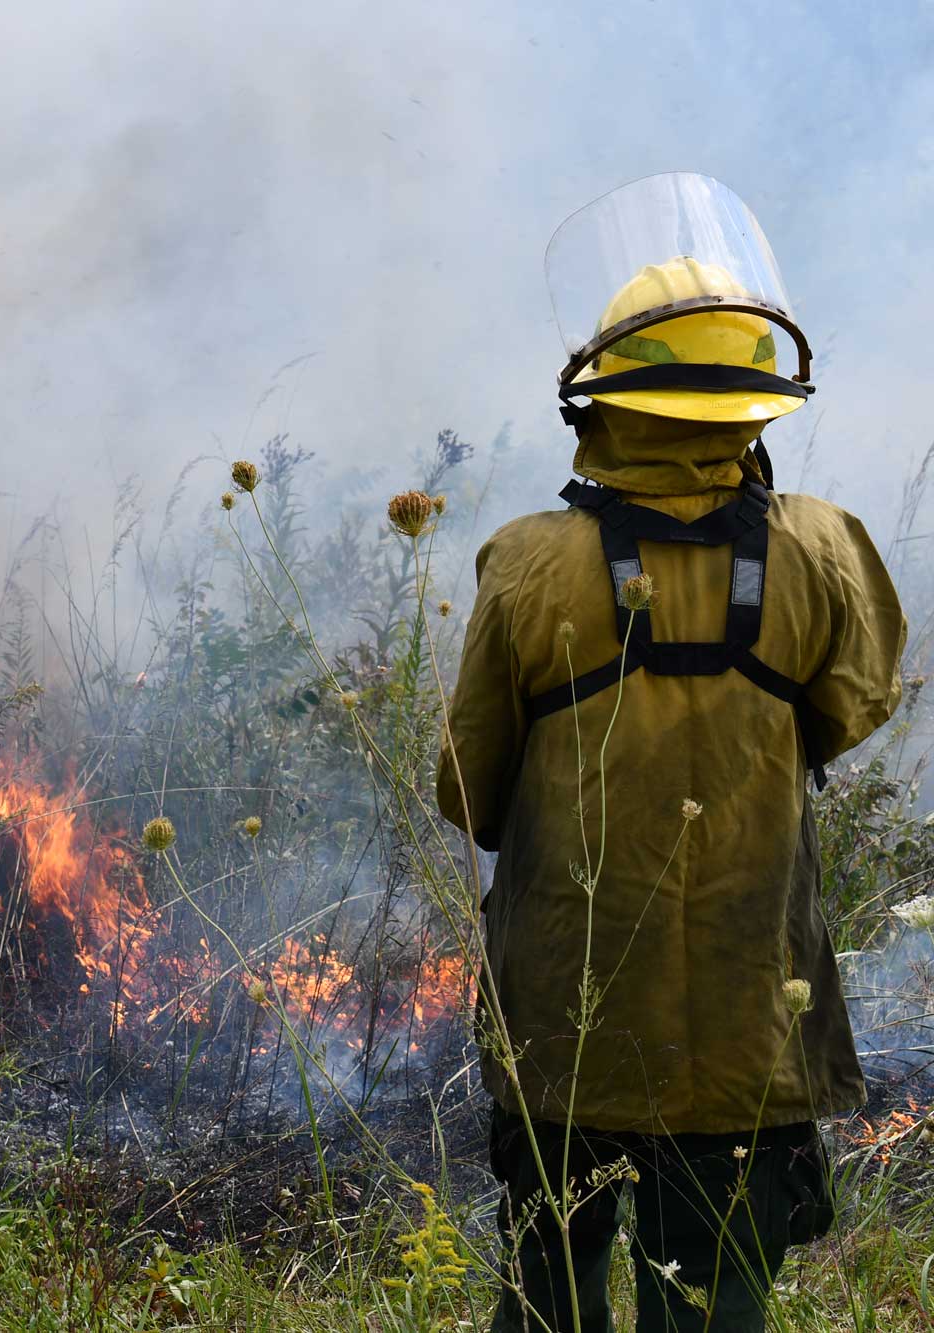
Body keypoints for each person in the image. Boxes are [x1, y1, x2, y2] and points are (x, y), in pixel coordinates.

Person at [437, 173, 907, 1332]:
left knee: (548, 1285)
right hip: (750, 1022)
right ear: (753, 399)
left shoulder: (526, 561)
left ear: (603, 400)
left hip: (566, 1026)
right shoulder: (820, 549)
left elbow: (464, 787)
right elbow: (852, 710)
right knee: (713, 1297)